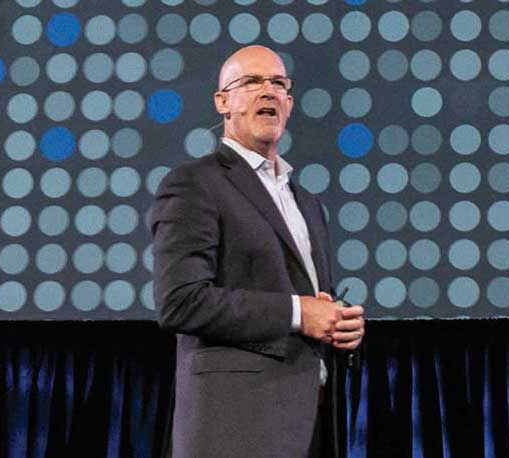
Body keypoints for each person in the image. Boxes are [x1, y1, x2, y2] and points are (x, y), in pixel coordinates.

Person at [151, 45, 365, 458]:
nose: (268, 90)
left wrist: (339, 325)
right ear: (222, 102)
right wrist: (300, 313)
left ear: (289, 103)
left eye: (278, 83)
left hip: (309, 423)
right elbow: (180, 302)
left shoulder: (307, 202)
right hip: (236, 425)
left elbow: (312, 304)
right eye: (251, 82)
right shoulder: (195, 184)